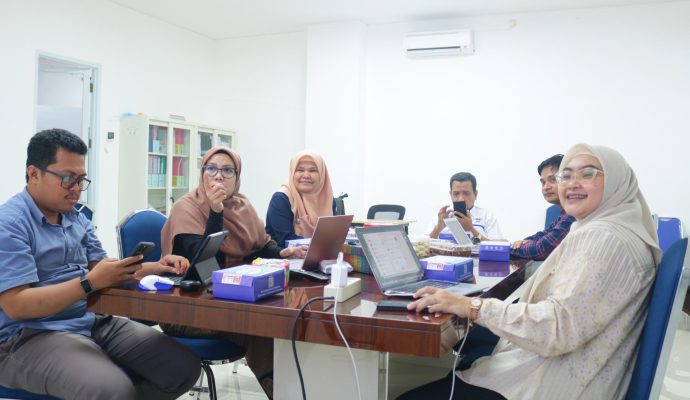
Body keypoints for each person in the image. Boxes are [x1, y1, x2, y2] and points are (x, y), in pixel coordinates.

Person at [400, 144, 661, 400]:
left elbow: (556, 328)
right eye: (566, 176)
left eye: (588, 173)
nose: (572, 184)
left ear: (617, 181)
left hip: (551, 382)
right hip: (571, 366)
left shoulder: (603, 239)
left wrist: (472, 306)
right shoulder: (611, 228)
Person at [0, 129, 200, 400]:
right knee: (111, 390)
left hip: (89, 320)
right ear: (34, 174)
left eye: (81, 180)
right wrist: (89, 283)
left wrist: (155, 267)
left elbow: (104, 272)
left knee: (183, 369)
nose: (76, 189)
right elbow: (17, 304)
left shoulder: (76, 218)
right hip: (27, 336)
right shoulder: (10, 224)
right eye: (68, 179)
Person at [160, 146, 300, 399]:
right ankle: (281, 392)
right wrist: (215, 212)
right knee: (261, 325)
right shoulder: (186, 208)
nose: (218, 176)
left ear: (237, 177)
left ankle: (296, 389)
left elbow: (260, 245)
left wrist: (281, 253)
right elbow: (204, 263)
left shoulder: (241, 205)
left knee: (283, 320)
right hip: (187, 309)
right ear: (202, 173)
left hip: (228, 299)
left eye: (227, 170)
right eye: (211, 169)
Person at [511, 154, 576, 261]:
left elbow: (541, 250)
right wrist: (525, 241)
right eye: (543, 182)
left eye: (553, 179)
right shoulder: (564, 213)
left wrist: (513, 248)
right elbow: (545, 234)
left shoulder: (574, 214)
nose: (546, 187)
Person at [265, 150, 335, 246]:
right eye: (300, 170)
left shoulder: (327, 199)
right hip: (286, 254)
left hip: (323, 254)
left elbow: (335, 235)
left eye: (313, 170)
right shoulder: (281, 199)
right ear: (292, 173)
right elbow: (285, 240)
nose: (306, 176)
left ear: (322, 174)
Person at [430, 172, 502, 241]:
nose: (461, 199)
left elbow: (498, 245)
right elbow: (425, 244)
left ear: (475, 194)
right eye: (456, 193)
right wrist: (438, 228)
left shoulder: (486, 216)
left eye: (466, 193)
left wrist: (471, 229)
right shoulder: (441, 216)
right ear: (451, 194)